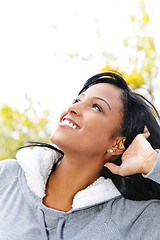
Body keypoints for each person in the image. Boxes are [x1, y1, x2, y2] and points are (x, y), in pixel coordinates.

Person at [1, 71, 160, 240]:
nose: (72, 108)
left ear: (117, 144)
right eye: (77, 100)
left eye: (96, 107)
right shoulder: (7, 177)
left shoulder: (138, 219)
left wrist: (152, 162)